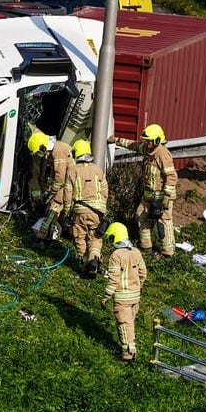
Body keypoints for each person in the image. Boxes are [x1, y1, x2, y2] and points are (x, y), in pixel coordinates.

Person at [108, 124, 178, 258]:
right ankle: (146, 247)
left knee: (163, 223)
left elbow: (171, 176)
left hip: (161, 198)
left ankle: (168, 252)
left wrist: (166, 198)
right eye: (146, 140)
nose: (147, 143)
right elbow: (133, 145)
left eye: (150, 140)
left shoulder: (162, 154)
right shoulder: (147, 149)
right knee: (140, 217)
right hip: (148, 196)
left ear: (157, 140)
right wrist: (116, 140)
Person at [100, 222, 148, 363]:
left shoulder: (116, 255)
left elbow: (113, 279)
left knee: (124, 325)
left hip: (122, 298)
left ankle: (128, 354)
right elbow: (143, 273)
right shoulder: (136, 252)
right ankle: (131, 347)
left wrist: (106, 296)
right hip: (135, 297)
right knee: (130, 323)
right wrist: (139, 287)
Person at [63, 139, 108, 278]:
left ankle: (84, 265)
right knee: (95, 236)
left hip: (80, 211)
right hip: (97, 211)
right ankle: (94, 258)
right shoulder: (98, 170)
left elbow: (68, 192)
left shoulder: (72, 170)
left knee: (80, 236)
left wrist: (66, 211)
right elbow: (105, 191)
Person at [29, 130, 73, 241]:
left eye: (39, 152)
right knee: (53, 210)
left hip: (66, 186)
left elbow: (60, 176)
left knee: (54, 208)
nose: (41, 156)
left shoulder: (57, 151)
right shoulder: (55, 150)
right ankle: (47, 237)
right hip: (64, 185)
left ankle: (43, 237)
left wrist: (51, 192)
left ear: (44, 147)